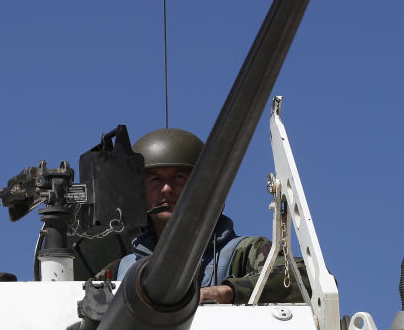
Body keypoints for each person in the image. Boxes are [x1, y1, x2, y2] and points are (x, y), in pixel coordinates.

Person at [97, 128, 308, 305]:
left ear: (203, 188)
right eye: (155, 180)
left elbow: (304, 278)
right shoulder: (120, 272)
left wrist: (228, 292)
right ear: (139, 192)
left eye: (179, 178)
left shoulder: (243, 253)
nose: (167, 189)